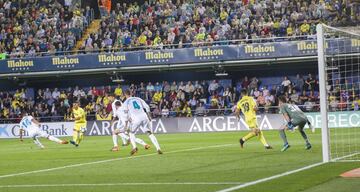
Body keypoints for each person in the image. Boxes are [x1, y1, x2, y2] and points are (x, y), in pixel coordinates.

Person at [123, 90, 162, 155]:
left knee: (131, 133)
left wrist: (126, 123)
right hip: (144, 116)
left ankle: (134, 147)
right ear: (131, 93)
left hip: (136, 118)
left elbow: (125, 113)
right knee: (150, 133)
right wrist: (149, 116)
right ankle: (158, 148)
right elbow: (147, 107)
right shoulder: (138, 98)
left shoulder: (126, 102)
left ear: (125, 95)